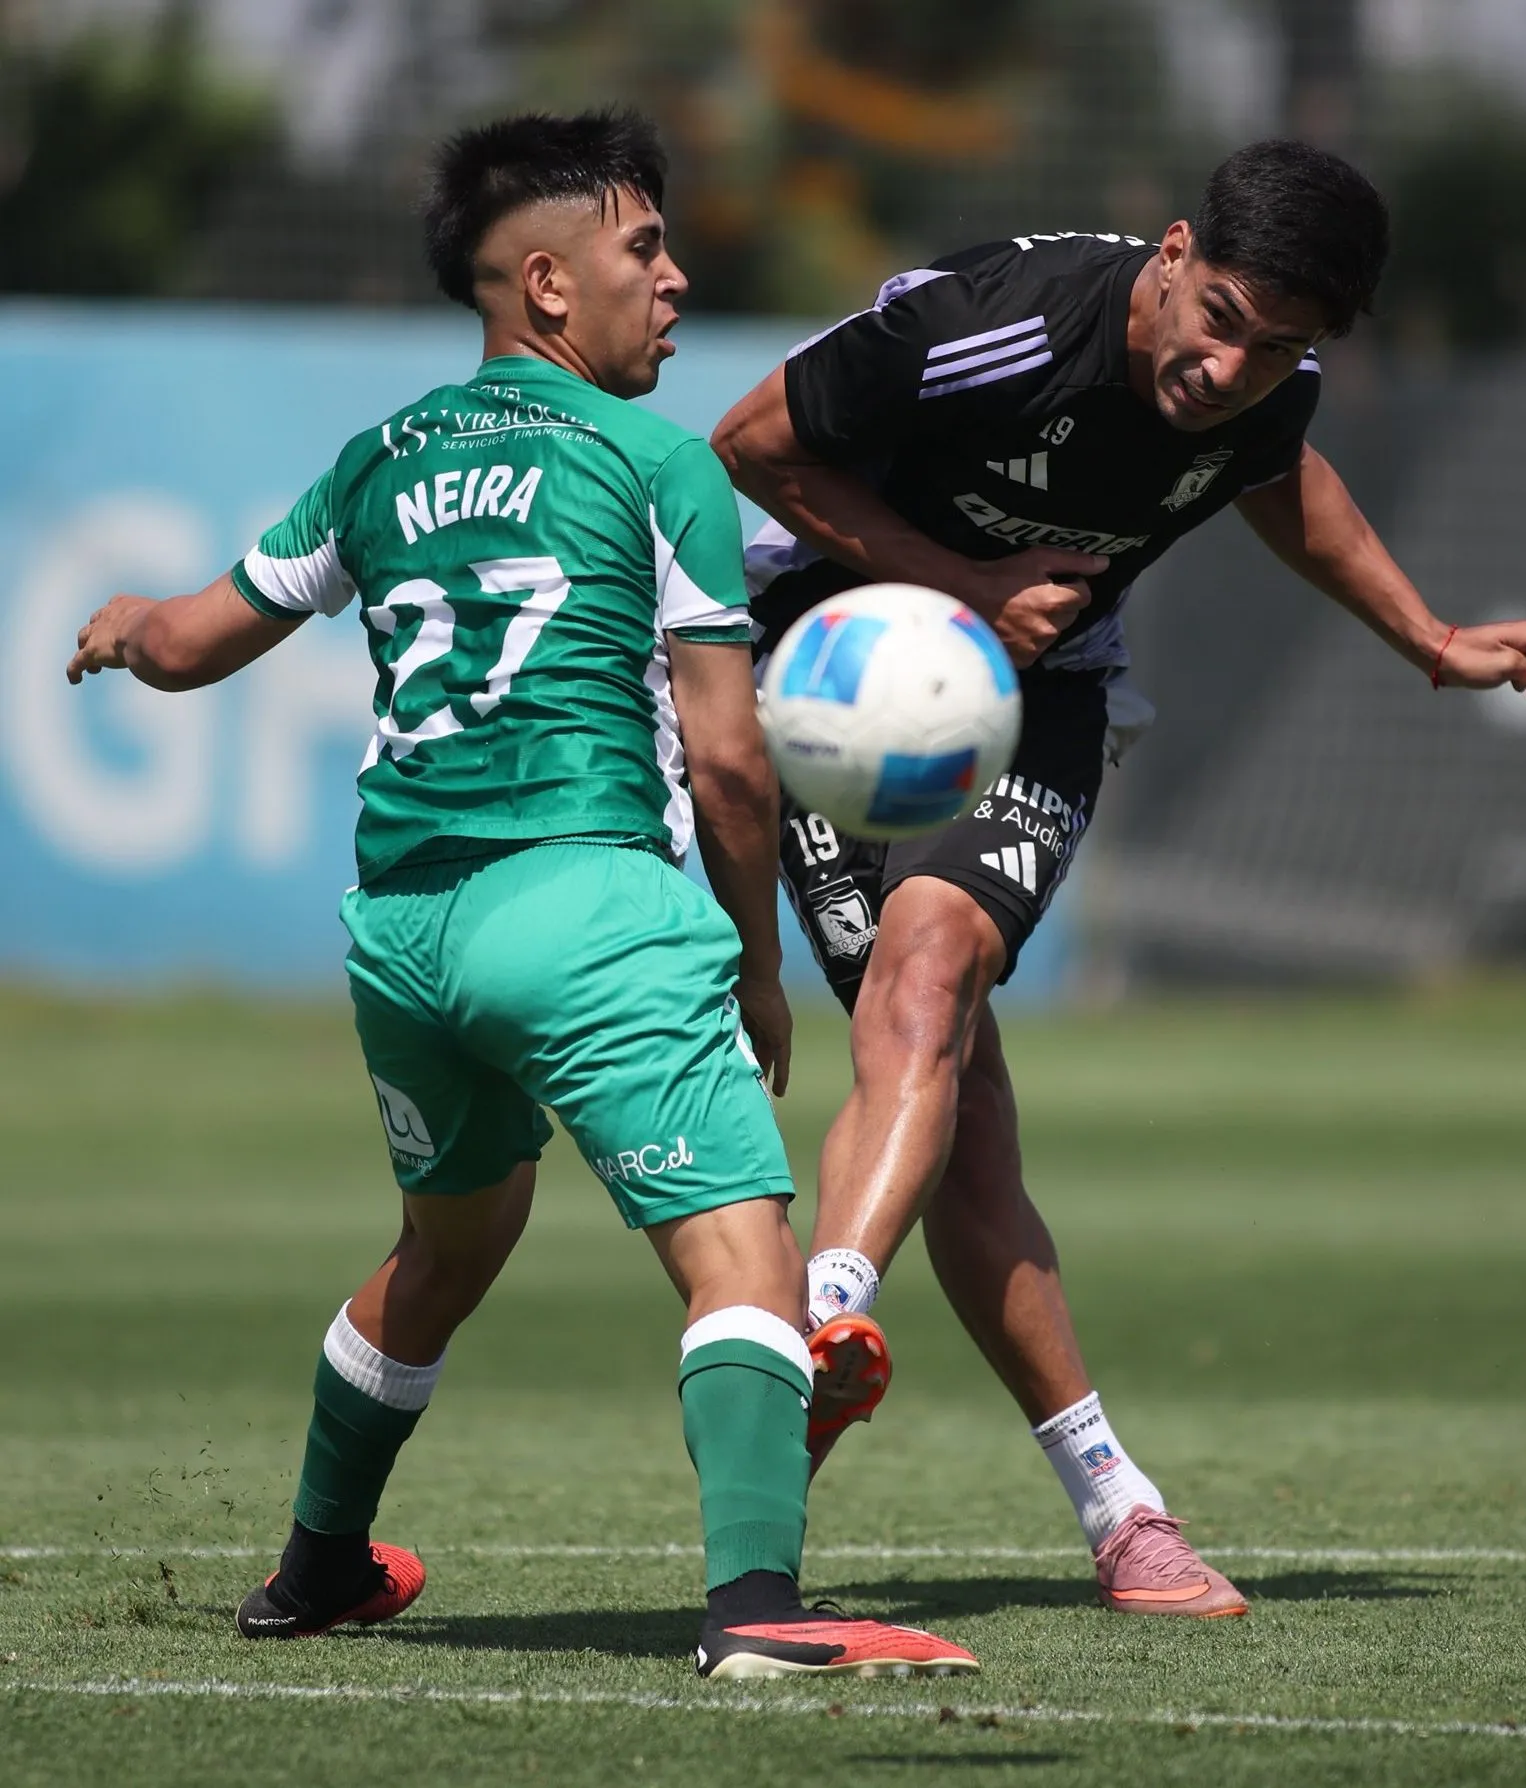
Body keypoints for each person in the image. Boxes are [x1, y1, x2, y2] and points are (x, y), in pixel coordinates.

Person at [65, 108, 976, 1683]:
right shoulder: (654, 463)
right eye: (646, 250)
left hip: (401, 934)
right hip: (583, 910)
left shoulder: (381, 458)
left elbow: (197, 640)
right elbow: (729, 761)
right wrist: (756, 968)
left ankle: (318, 1567)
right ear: (549, 285)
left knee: (448, 1244)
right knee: (741, 1254)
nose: (677, 280)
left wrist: (123, 621)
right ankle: (760, 1611)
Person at [711, 139, 1526, 1619]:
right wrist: (965, 585)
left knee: (932, 973)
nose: (1229, 368)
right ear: (1172, 253)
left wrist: (1429, 642)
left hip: (1042, 691)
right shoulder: (996, 326)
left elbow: (1274, 474)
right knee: (961, 1119)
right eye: (1222, 317)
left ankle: (826, 1314)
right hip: (839, 667)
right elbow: (749, 444)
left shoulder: (1262, 394)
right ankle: (1122, 1517)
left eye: (1278, 347)